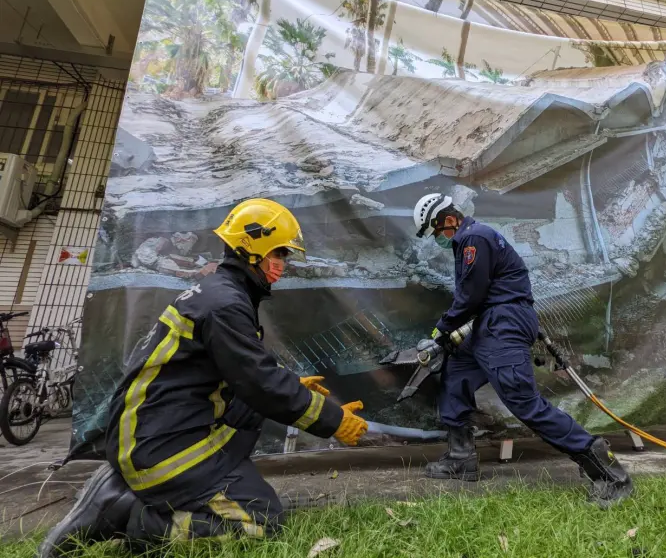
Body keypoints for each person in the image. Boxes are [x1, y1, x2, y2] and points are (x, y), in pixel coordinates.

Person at [39, 198, 368, 557]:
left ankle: (131, 484)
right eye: (280, 253)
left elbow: (241, 375)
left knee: (252, 410)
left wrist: (291, 387)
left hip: (155, 432)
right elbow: (258, 381)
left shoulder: (218, 294)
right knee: (260, 521)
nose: (283, 264)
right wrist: (333, 419)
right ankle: (126, 513)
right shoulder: (225, 303)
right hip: (159, 446)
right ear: (253, 249)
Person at [412, 193, 633, 507]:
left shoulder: (474, 238)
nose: (438, 240)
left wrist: (440, 331)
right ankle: (461, 459)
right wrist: (448, 338)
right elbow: (478, 299)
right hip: (490, 323)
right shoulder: (470, 241)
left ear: (448, 220)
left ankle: (608, 473)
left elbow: (471, 298)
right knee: (455, 373)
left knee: (523, 402)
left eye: (436, 233)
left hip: (504, 323)